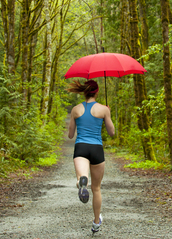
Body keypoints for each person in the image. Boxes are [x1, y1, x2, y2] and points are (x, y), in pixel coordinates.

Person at [67, 79, 115, 233]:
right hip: (96, 149)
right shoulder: (103, 110)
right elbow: (111, 132)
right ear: (97, 91)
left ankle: (82, 182)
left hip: (81, 147)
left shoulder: (76, 109)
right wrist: (107, 112)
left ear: (84, 91)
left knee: (83, 176)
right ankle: (96, 222)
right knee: (97, 189)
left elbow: (70, 135)